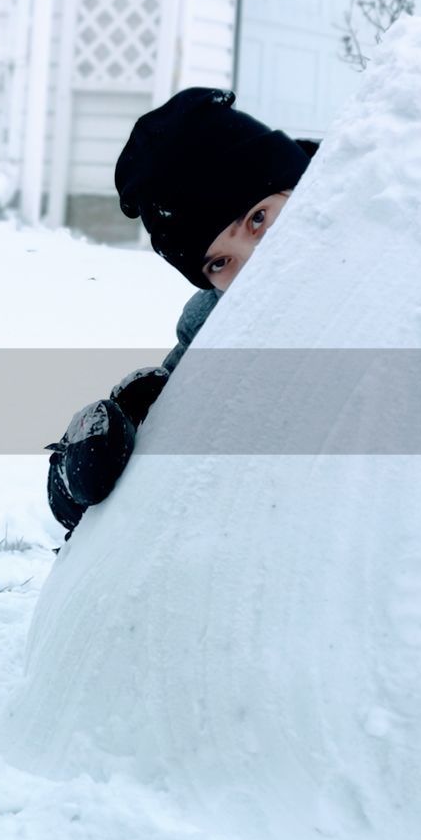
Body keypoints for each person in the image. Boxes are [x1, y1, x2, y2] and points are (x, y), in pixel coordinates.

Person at [47, 87, 319, 534]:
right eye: (219, 262)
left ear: (298, 184)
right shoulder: (214, 323)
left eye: (257, 219)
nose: (253, 266)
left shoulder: (394, 221)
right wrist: (92, 460)